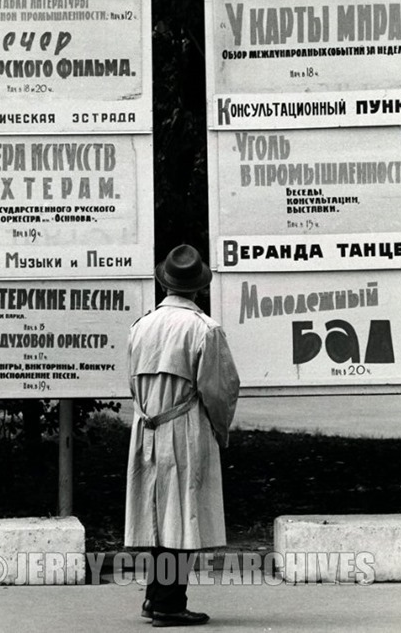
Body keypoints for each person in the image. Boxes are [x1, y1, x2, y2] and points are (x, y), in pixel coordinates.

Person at [124, 244, 240, 627]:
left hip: (147, 425)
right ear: (198, 288)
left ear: (165, 283)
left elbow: (132, 381)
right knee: (181, 514)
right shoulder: (204, 329)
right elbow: (220, 389)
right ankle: (169, 603)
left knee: (158, 513)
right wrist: (221, 430)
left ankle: (155, 596)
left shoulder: (141, 326)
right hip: (184, 424)